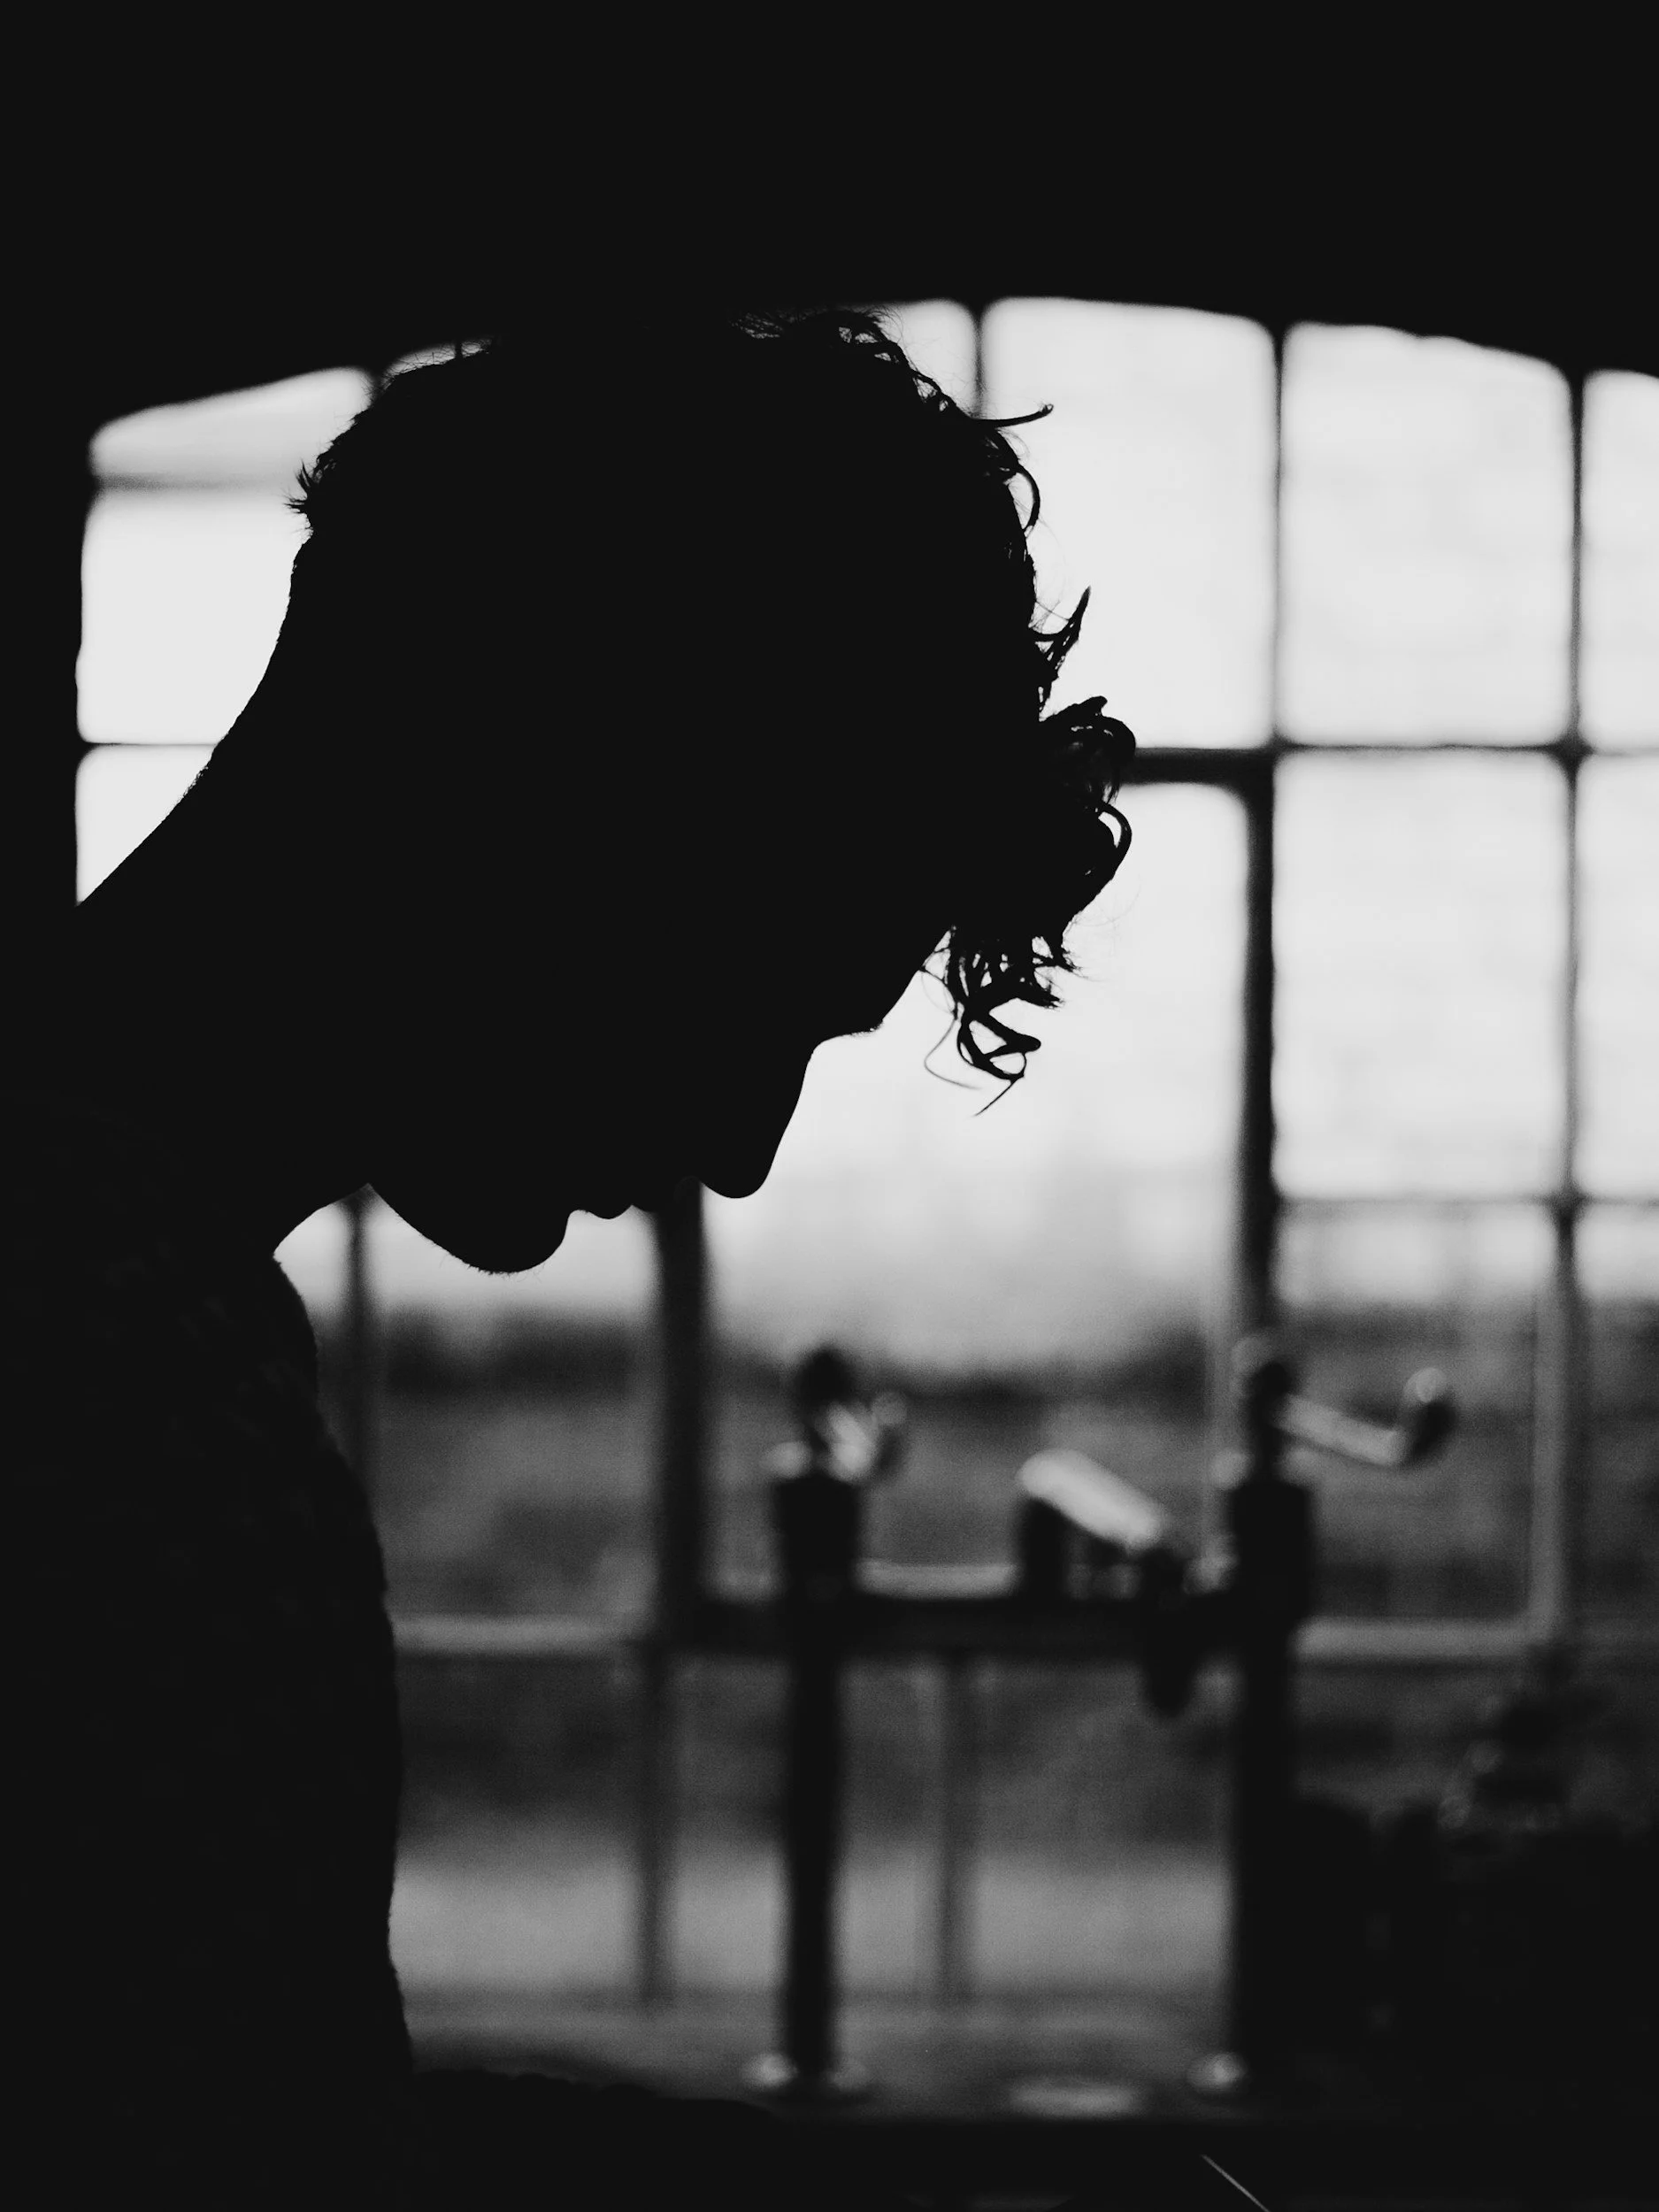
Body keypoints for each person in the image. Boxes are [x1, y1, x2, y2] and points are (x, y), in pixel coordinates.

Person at [8, 305, 1133, 2207]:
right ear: (545, 789)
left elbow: (214, 2114)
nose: (739, 1143)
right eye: (751, 982)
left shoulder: (141, 1287)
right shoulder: (101, 1386)